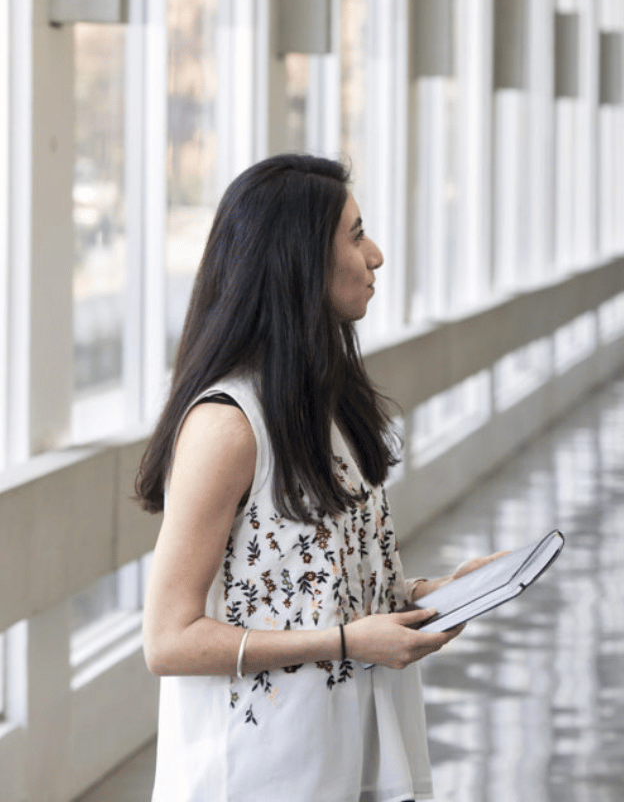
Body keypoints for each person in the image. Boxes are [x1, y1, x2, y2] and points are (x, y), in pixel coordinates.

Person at [138, 155, 492, 802]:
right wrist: (348, 642)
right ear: (297, 260)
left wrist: (424, 598)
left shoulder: (326, 404)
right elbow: (168, 640)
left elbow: (315, 586)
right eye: (356, 236)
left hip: (346, 756)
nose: (376, 255)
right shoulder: (228, 426)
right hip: (258, 774)